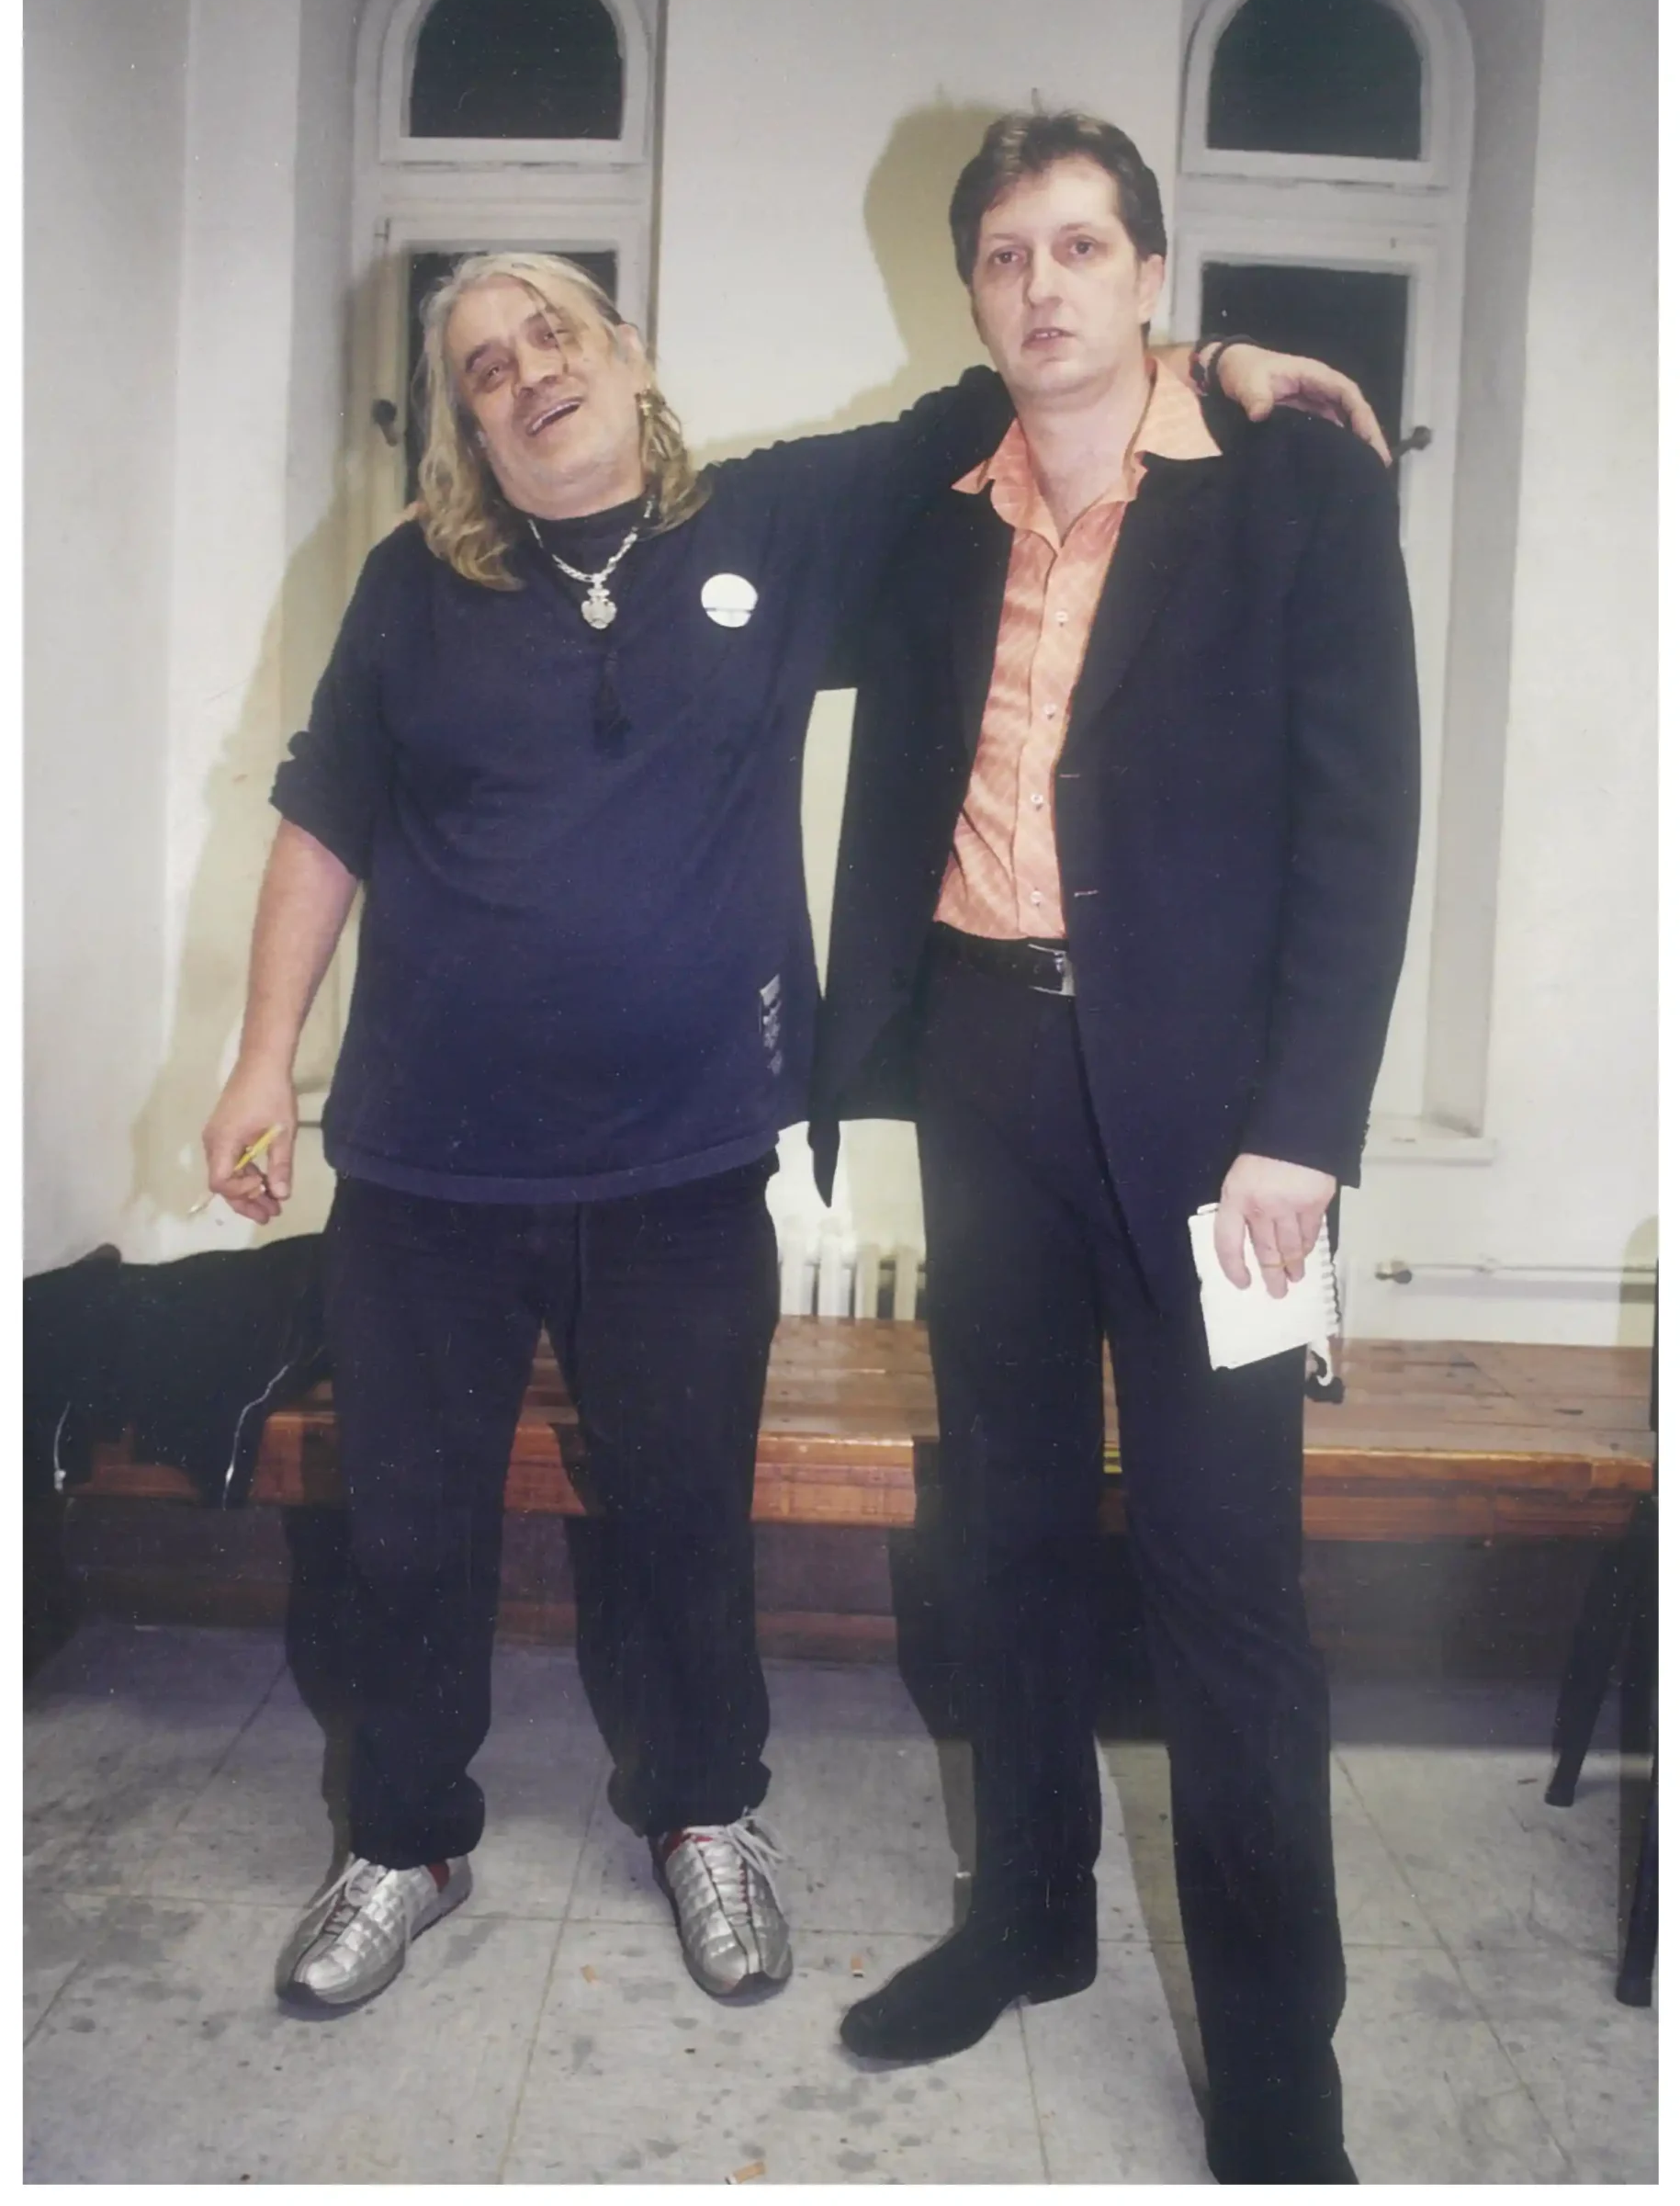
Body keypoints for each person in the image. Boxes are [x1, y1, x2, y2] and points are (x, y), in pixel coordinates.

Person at [201, 244, 1378, 2021]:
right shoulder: (412, 587)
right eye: (484, 367)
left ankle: (705, 1815)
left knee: (690, 1522)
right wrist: (254, 1062)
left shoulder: (769, 525)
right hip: (429, 1166)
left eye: (554, 333)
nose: (528, 372)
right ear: (465, 428)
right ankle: (404, 1840)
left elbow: (1002, 390)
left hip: (685, 1163)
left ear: (630, 352)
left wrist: (1210, 357)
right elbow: (321, 820)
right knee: (410, 1531)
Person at [814, 109, 1419, 2185]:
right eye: (1006, 254)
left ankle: (1276, 2071)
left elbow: (1363, 827)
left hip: (1225, 1130)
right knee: (1001, 1532)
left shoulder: (1295, 485)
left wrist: (1303, 1132)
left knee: (1226, 1584)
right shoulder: (939, 506)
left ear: (1152, 275)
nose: (1043, 285)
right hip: (984, 1066)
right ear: (973, 292)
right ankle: (1030, 1918)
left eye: (1083, 246)